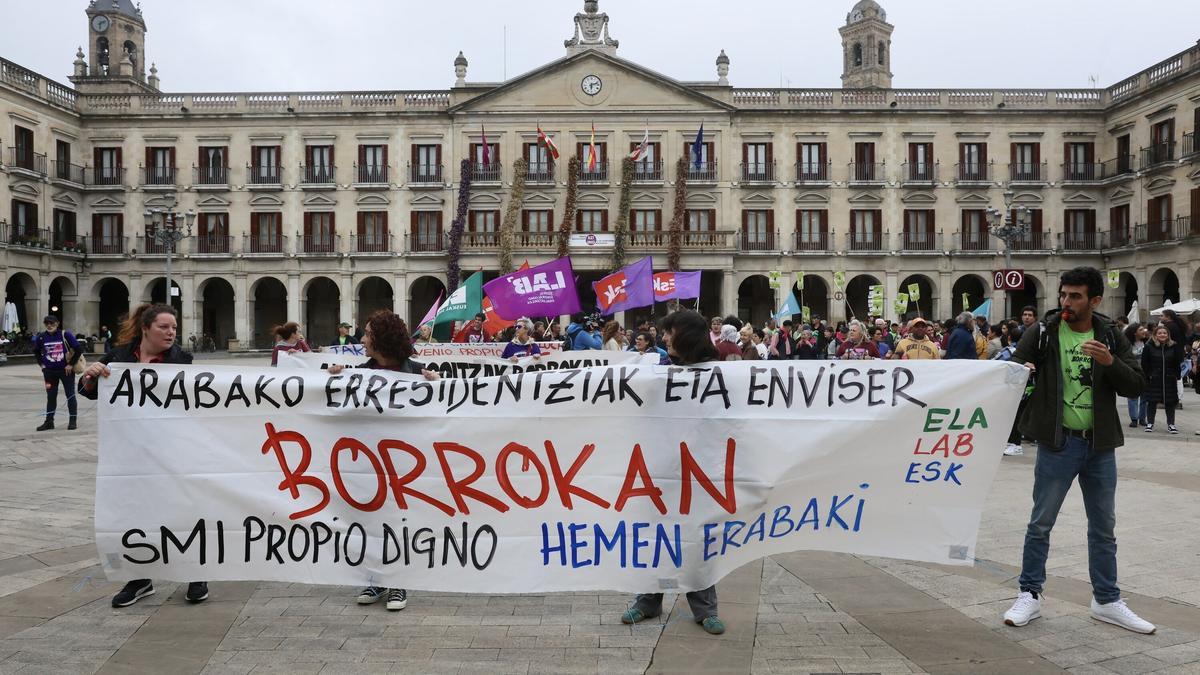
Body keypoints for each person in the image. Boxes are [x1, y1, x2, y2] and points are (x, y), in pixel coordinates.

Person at [1003, 266, 1154, 634]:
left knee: (1103, 527)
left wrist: (1109, 361)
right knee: (1040, 524)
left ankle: (1106, 599)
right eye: (1063, 295)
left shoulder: (1110, 334)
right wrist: (1021, 371)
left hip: (1100, 445)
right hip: (1058, 443)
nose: (1066, 303)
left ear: (1095, 300)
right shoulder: (1043, 331)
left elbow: (1136, 385)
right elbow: (1008, 375)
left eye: (1075, 296)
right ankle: (1029, 594)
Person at [78, 304, 209, 607]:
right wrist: (91, 375)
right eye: (164, 327)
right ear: (145, 328)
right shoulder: (118, 358)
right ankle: (139, 578)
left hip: (173, 451)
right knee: (136, 513)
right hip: (132, 454)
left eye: (174, 327)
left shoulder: (182, 361)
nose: (171, 332)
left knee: (184, 511)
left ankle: (197, 573)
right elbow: (89, 391)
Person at [325, 310, 440, 613]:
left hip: (406, 467)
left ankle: (398, 580)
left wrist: (439, 386)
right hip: (369, 465)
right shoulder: (359, 374)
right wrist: (332, 381)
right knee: (371, 521)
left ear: (382, 340)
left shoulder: (417, 374)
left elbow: (444, 415)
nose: (362, 340)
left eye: (366, 334)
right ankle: (376, 576)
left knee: (400, 521)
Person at [622, 309, 725, 635]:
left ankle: (704, 607)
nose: (664, 338)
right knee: (655, 535)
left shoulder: (718, 375)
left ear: (687, 337)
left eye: (669, 332)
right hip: (658, 469)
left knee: (696, 537)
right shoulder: (655, 370)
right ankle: (647, 600)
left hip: (699, 472)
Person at [32, 315, 82, 431]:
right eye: (47, 323)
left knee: (70, 396)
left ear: (57, 323)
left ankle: (73, 420)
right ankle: (49, 422)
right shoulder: (41, 337)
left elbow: (78, 349)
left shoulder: (65, 335)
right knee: (51, 397)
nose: (49, 325)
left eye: (52, 323)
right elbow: (36, 352)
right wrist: (42, 365)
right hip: (49, 373)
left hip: (66, 372)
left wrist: (70, 364)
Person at [1141, 324, 1182, 434]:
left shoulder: (1173, 346)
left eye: (1164, 333)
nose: (1162, 335)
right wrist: (1149, 374)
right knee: (1152, 402)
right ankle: (1150, 423)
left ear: (1168, 335)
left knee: (1170, 402)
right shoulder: (1149, 346)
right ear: (1155, 335)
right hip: (1154, 379)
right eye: (1160, 333)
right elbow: (1144, 363)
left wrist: (1177, 375)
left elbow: (1177, 362)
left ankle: (1171, 424)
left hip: (1169, 378)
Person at [1124, 324, 1148, 428]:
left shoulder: (1147, 343)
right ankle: (1134, 419)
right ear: (1135, 332)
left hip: (1146, 372)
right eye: (1141, 329)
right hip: (1132, 372)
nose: (1144, 331)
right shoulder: (1127, 344)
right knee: (1133, 396)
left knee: (1145, 397)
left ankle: (1142, 418)